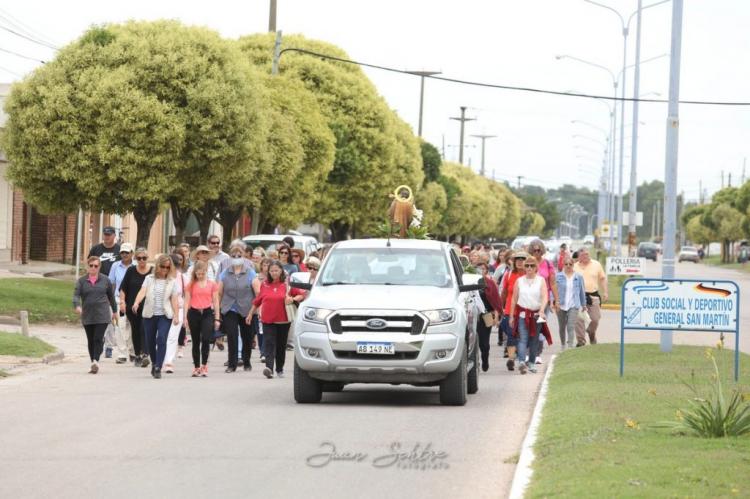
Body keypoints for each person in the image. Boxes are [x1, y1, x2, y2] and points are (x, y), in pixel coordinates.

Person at [132, 255, 180, 379]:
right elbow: (142, 291)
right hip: (149, 314)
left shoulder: (172, 282)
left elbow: (174, 299)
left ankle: (158, 366)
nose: (165, 269)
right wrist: (137, 302)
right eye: (163, 266)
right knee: (150, 341)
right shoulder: (149, 278)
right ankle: (154, 363)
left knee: (162, 339)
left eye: (167, 267)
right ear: (158, 266)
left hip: (165, 315)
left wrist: (176, 315)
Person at [247, 261, 292, 379]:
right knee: (269, 344)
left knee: (281, 346)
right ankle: (269, 368)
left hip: (283, 320)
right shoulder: (265, 284)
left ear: (281, 270)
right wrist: (250, 313)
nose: (274, 273)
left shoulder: (286, 284)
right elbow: (258, 300)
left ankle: (280, 369)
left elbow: (301, 295)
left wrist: (291, 299)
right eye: (271, 271)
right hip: (268, 320)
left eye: (276, 270)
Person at [73, 256, 117, 374]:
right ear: (88, 266)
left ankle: (95, 361)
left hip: (102, 314)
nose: (93, 268)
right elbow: (76, 295)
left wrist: (114, 311)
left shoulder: (105, 280)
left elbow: (111, 297)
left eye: (96, 266)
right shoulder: (82, 281)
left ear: (99, 267)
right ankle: (93, 360)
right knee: (91, 340)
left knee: (97, 337)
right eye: (91, 265)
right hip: (88, 314)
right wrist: (77, 305)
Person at [218, 244, 257, 372]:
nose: (236, 258)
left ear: (243, 256)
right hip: (230, 308)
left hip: (247, 308)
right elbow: (219, 292)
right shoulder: (225, 272)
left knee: (247, 336)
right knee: (232, 335)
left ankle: (246, 361)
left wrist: (255, 310)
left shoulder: (250, 272)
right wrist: (217, 310)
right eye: (233, 256)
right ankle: (232, 364)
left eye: (239, 256)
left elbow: (258, 292)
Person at [509, 257, 552, 374]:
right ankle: (522, 362)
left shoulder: (541, 280)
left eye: (532, 266)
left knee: (534, 340)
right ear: (524, 267)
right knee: (523, 339)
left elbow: (544, 297)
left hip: (536, 315)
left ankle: (532, 362)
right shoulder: (519, 281)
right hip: (523, 314)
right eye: (527, 265)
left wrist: (542, 310)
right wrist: (512, 316)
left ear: (536, 268)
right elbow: (514, 299)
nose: (529, 268)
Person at [184, 261, 220, 377]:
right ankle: (196, 367)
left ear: (206, 272)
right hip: (194, 312)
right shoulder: (191, 285)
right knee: (195, 341)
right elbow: (187, 301)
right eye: (198, 274)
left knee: (205, 338)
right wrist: (185, 317)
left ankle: (204, 365)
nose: (200, 276)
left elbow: (215, 301)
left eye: (202, 274)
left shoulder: (212, 284)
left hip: (207, 312)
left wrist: (217, 318)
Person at [89, 225, 120, 358]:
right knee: (98, 317)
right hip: (97, 285)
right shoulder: (96, 249)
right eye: (105, 235)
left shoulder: (119, 250)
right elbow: (90, 264)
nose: (107, 237)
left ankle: (109, 346)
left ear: (114, 236)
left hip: (112, 286)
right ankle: (99, 339)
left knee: (109, 316)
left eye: (109, 235)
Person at [527, 239, 559, 364]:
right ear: (531, 250)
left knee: (540, 325)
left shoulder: (547, 263)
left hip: (544, 300)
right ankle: (529, 351)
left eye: (539, 250)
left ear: (542, 250)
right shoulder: (527, 263)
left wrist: (556, 300)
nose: (536, 252)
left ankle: (537, 352)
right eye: (534, 250)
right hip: (529, 299)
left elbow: (553, 283)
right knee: (529, 325)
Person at [119, 248, 152, 368]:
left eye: (144, 258)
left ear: (147, 258)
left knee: (144, 328)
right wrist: (122, 302)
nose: (142, 260)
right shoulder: (131, 270)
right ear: (136, 259)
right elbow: (123, 288)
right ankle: (137, 354)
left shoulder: (152, 272)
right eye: (139, 258)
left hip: (148, 306)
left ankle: (145, 354)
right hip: (132, 306)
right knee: (136, 330)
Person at [574, 248, 608, 346]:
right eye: (584, 255)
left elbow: (602, 278)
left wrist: (605, 292)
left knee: (595, 319)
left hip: (593, 296)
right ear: (579, 257)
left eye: (587, 254)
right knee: (579, 320)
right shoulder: (574, 267)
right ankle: (581, 341)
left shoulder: (596, 264)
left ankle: (591, 333)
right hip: (578, 297)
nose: (586, 256)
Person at [107, 242, 134, 363]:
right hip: (118, 300)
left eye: (127, 252)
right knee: (119, 326)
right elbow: (111, 283)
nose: (124, 255)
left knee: (133, 327)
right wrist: (110, 299)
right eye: (122, 252)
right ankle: (122, 353)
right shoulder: (115, 266)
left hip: (133, 300)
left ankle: (133, 351)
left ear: (132, 253)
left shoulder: (136, 266)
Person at [499, 252, 527, 370]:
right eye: (517, 259)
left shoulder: (530, 275)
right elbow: (504, 292)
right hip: (510, 311)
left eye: (522, 259)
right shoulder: (509, 275)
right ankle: (511, 359)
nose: (520, 261)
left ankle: (521, 359)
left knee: (523, 337)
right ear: (514, 262)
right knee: (511, 335)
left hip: (526, 311)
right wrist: (499, 308)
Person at [475, 261, 503, 372]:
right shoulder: (472, 282)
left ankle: (485, 359)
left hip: (487, 315)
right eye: (478, 268)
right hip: (474, 315)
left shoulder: (490, 283)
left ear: (486, 270)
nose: (481, 270)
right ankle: (475, 362)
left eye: (483, 268)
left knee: (484, 342)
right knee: (473, 341)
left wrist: (496, 316)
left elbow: (496, 300)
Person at [555, 256, 586, 350]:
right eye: (566, 264)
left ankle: (570, 347)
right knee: (561, 326)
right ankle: (563, 344)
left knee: (571, 326)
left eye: (570, 264)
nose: (568, 266)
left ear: (573, 265)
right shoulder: (558, 276)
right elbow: (554, 290)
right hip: (561, 304)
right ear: (563, 265)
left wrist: (583, 304)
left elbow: (582, 291)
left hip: (573, 304)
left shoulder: (578, 277)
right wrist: (554, 302)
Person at [163, 253, 187, 373]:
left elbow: (187, 296)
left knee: (172, 337)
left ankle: (169, 362)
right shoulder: (162, 276)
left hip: (179, 309)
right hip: (162, 309)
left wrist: (186, 316)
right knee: (162, 336)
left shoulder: (182, 277)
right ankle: (161, 359)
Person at [252, 257, 272, 362]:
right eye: (265, 264)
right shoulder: (257, 278)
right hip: (259, 307)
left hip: (271, 307)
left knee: (268, 331)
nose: (267, 267)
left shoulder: (274, 278)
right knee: (260, 331)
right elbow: (258, 294)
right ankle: (262, 351)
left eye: (269, 264)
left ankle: (267, 351)